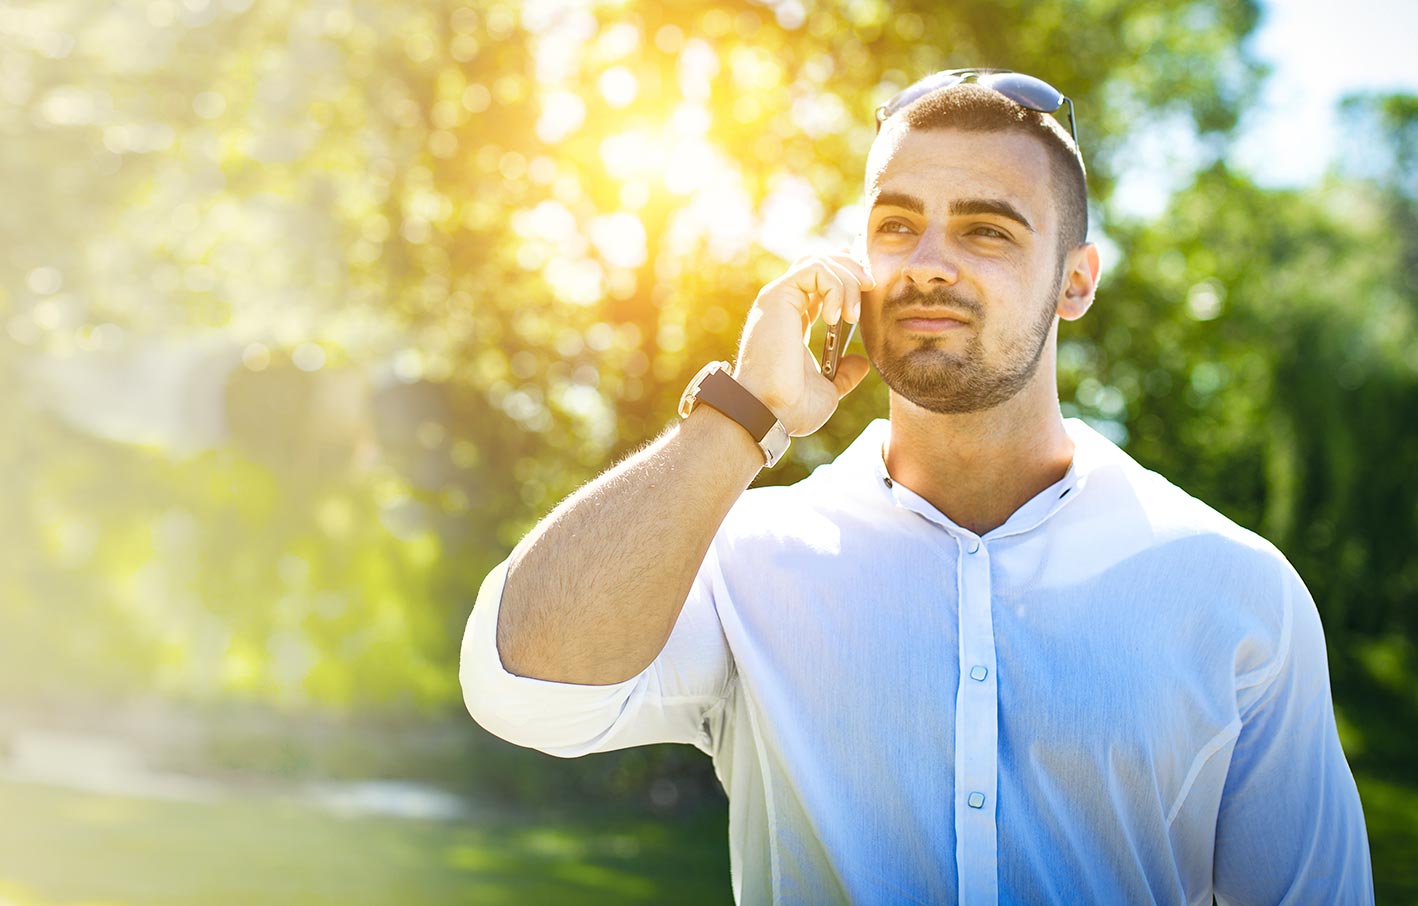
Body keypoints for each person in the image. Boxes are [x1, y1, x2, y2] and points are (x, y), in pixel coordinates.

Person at [460, 69, 1374, 905]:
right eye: (897, 225)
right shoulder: (741, 556)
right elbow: (524, 687)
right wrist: (741, 417)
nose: (928, 260)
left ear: (1077, 283)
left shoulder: (1234, 587)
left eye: (987, 229)